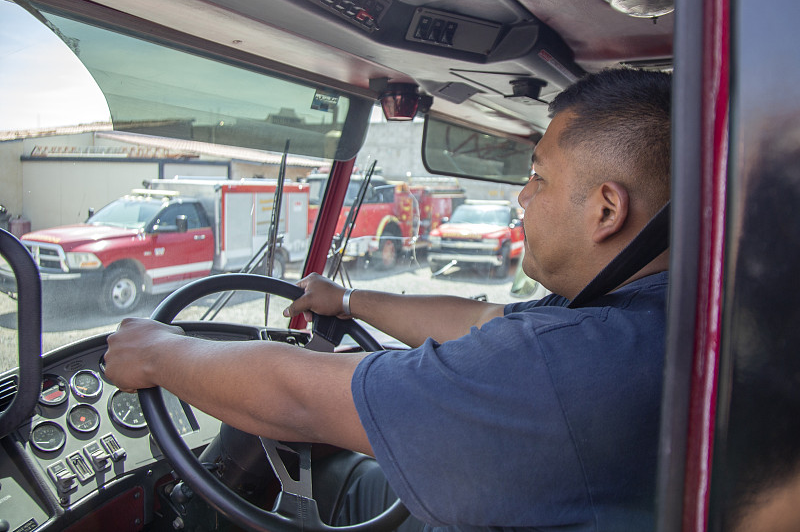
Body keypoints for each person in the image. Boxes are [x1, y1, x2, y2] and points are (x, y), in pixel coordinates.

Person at [104, 67, 672, 531]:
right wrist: (347, 300)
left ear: (606, 209)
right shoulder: (641, 314)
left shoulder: (563, 366)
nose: (522, 196)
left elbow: (297, 397)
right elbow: (480, 318)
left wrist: (156, 351)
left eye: (538, 177)